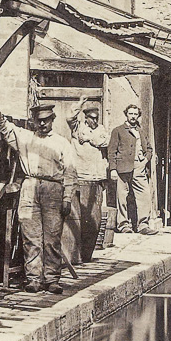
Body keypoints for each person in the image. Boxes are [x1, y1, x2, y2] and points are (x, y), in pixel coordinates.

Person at [0, 105, 76, 294]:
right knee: (31, 236)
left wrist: (67, 198)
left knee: (52, 237)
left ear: (52, 120)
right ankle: (33, 279)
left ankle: (52, 279)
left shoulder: (62, 143)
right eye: (39, 120)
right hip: (30, 186)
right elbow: (8, 129)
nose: (42, 124)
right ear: (33, 121)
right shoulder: (26, 138)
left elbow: (71, 172)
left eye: (46, 120)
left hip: (53, 188)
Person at [66, 98, 109, 263]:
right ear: (85, 118)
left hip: (97, 179)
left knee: (95, 219)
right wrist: (79, 104)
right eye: (92, 118)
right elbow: (70, 118)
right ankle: (78, 254)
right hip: (82, 178)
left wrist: (90, 138)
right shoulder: (78, 128)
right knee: (82, 218)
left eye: (96, 118)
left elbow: (104, 140)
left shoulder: (101, 129)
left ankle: (87, 254)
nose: (95, 121)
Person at [108, 103, 160, 235]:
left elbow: (149, 148)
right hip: (122, 168)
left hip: (139, 167)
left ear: (138, 116)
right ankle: (123, 225)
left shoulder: (140, 131)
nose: (133, 116)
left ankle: (143, 225)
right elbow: (112, 151)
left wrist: (146, 159)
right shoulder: (118, 130)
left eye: (135, 114)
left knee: (144, 196)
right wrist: (113, 169)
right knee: (122, 197)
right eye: (131, 113)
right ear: (126, 114)